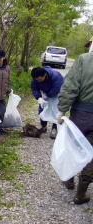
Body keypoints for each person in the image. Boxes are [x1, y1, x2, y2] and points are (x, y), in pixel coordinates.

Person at [57, 50, 93, 205]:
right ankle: (81, 193)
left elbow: (71, 86)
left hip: (81, 113)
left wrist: (62, 109)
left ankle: (69, 179)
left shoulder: (84, 60)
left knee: (74, 146)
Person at [30, 66, 63, 139]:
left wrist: (47, 95)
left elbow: (56, 89)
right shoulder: (35, 77)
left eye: (40, 79)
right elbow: (34, 88)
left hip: (58, 94)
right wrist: (39, 97)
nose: (38, 81)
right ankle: (43, 126)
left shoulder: (56, 77)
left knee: (56, 111)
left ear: (44, 75)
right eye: (36, 79)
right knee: (42, 108)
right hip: (46, 93)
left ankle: (54, 128)